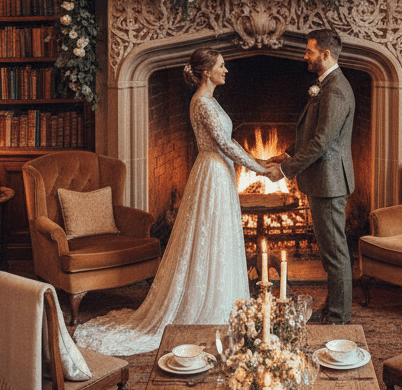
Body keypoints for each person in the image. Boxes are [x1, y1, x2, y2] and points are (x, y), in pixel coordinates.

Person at [73, 47, 269, 355]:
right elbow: (225, 146)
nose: (226, 70)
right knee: (211, 238)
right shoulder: (203, 103)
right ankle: (206, 312)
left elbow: (228, 143)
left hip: (218, 171)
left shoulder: (209, 101)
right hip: (213, 173)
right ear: (207, 72)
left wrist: (260, 162)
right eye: (221, 65)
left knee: (218, 239)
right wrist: (263, 170)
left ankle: (224, 303)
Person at [267, 28, 355, 324]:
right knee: (331, 253)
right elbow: (313, 134)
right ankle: (333, 309)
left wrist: (284, 170)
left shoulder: (337, 89)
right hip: (322, 181)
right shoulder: (326, 85)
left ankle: (339, 317)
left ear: (325, 54)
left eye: (309, 51)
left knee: (335, 254)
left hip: (330, 183)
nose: (305, 56)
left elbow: (322, 142)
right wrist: (288, 154)